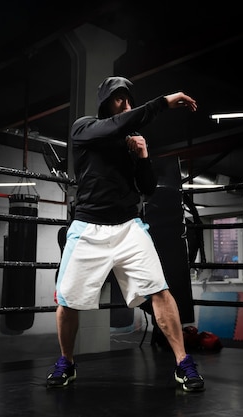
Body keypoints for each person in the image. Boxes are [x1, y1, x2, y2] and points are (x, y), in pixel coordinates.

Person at [46, 76, 205, 392]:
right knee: (68, 299)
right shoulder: (85, 128)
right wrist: (162, 102)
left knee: (160, 291)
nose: (126, 105)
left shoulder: (131, 141)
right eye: (120, 99)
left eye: (129, 100)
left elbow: (147, 188)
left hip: (129, 227)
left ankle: (183, 363)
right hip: (88, 227)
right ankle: (66, 361)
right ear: (106, 102)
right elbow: (115, 125)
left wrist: (143, 156)